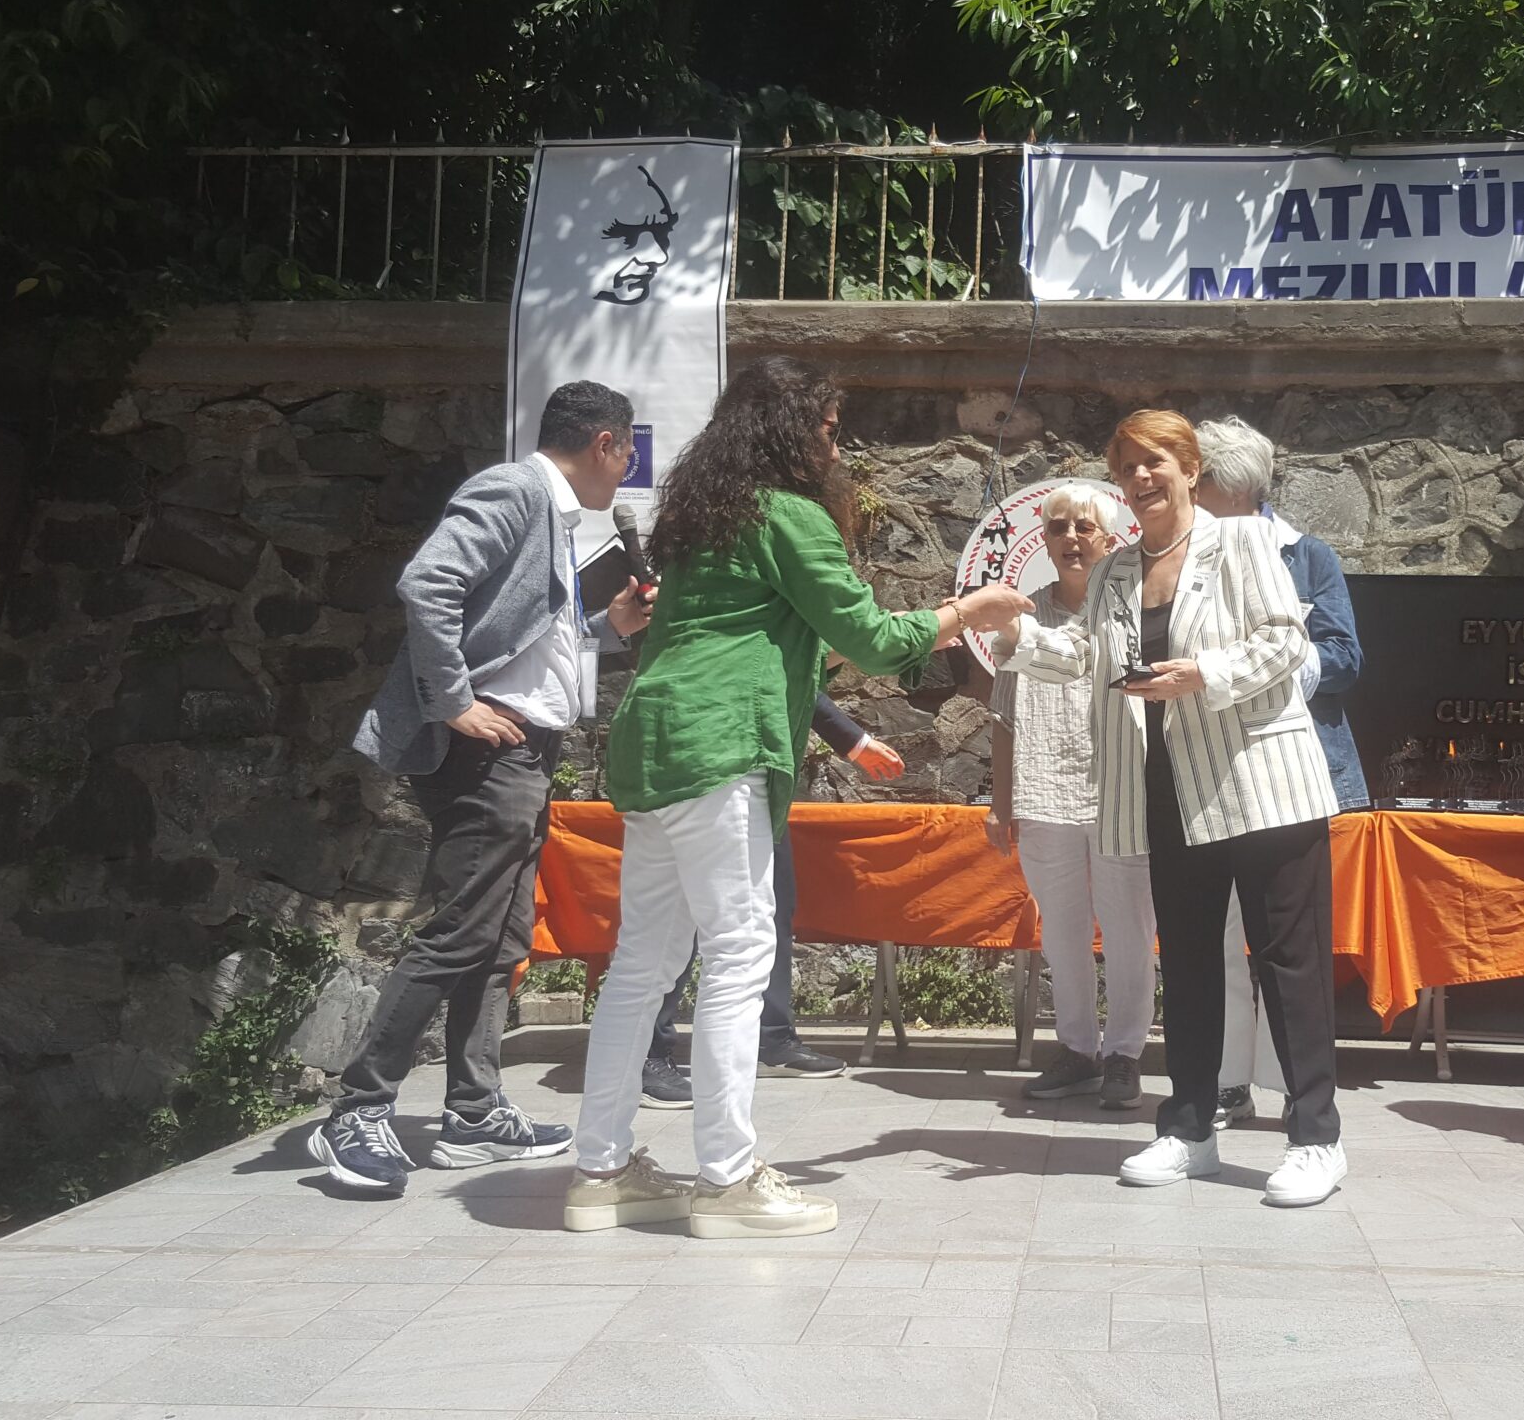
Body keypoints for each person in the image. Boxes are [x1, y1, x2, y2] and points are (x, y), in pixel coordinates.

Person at [565, 357, 1029, 1235]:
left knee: (642, 966)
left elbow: (780, 637)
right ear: (790, 434)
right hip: (721, 743)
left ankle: (601, 1170)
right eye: (827, 430)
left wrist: (913, 645)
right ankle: (726, 1181)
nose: (837, 448)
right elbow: (875, 640)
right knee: (739, 955)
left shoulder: (701, 518)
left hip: (655, 741)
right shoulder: (788, 514)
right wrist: (969, 611)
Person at [995, 410, 1348, 1207]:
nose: (1140, 477)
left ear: (1191, 469)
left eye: (1154, 460)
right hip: (1166, 788)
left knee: (1288, 963)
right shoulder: (1117, 570)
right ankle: (1190, 1129)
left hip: (1263, 784)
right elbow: (1088, 655)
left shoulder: (1245, 541)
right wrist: (1014, 635)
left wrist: (1204, 675)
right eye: (1126, 467)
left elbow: (1286, 640)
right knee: (1187, 961)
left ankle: (1316, 1138)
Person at [315, 380, 653, 1196]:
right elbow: (427, 585)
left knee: (500, 938)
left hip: (523, 751)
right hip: (488, 751)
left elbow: (533, 641)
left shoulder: (553, 515)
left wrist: (609, 629)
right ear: (604, 443)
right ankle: (357, 1108)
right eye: (627, 453)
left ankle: (472, 1112)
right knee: (463, 930)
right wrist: (454, 701)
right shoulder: (513, 490)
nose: (628, 469)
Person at [1194, 415, 1367, 1129]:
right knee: (1221, 936)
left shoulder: (1308, 556)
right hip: (1208, 768)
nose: (1186, 491)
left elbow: (1346, 659)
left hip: (1291, 769)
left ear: (1232, 486)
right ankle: (1228, 1081)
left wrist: (1258, 670)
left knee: (1288, 940)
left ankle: (1295, 1083)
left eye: (1198, 478)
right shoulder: (1183, 554)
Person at [638, 695, 903, 1110]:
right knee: (682, 920)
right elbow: (777, 666)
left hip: (761, 778)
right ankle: (645, 1055)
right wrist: (852, 739)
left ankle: (770, 1040)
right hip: (699, 764)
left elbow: (796, 669)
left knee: (771, 912)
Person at [987, 481, 1160, 1111]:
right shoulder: (1024, 618)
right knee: (1061, 931)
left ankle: (1125, 1054)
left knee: (1128, 930)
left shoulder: (1131, 611)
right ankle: (1079, 1050)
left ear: (1109, 540)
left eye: (1084, 528)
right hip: (1045, 792)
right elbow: (1003, 716)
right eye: (1058, 528)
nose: (1071, 539)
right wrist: (1001, 803)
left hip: (1122, 793)